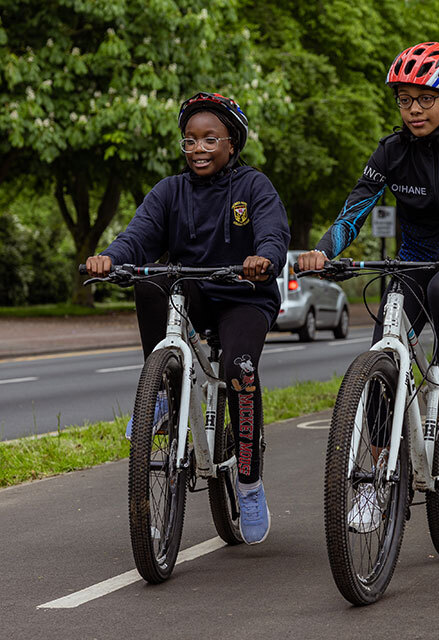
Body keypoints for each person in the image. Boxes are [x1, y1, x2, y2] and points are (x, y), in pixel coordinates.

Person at [85, 91, 291, 545]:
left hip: (244, 294)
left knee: (239, 368)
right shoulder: (169, 191)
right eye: (190, 140)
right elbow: (137, 236)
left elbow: (274, 233)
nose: (198, 149)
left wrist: (265, 257)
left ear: (231, 143)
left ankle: (250, 483)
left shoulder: (254, 187)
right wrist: (109, 257)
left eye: (209, 139)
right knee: (150, 280)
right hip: (192, 291)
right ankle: (161, 391)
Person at [298, 41, 439, 458]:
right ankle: (371, 481)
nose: (413, 109)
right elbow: (353, 210)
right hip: (412, 265)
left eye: (425, 99)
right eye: (404, 100)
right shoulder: (391, 151)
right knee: (383, 357)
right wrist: (323, 251)